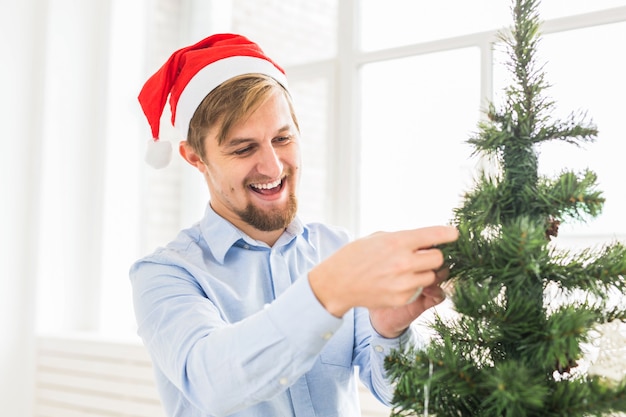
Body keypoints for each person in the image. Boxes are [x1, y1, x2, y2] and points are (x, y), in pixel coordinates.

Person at [130, 33, 458, 417]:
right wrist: (329, 290)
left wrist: (391, 331)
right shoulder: (166, 274)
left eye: (282, 138)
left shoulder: (334, 249)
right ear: (195, 158)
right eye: (243, 148)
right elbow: (213, 383)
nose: (272, 167)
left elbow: (405, 395)